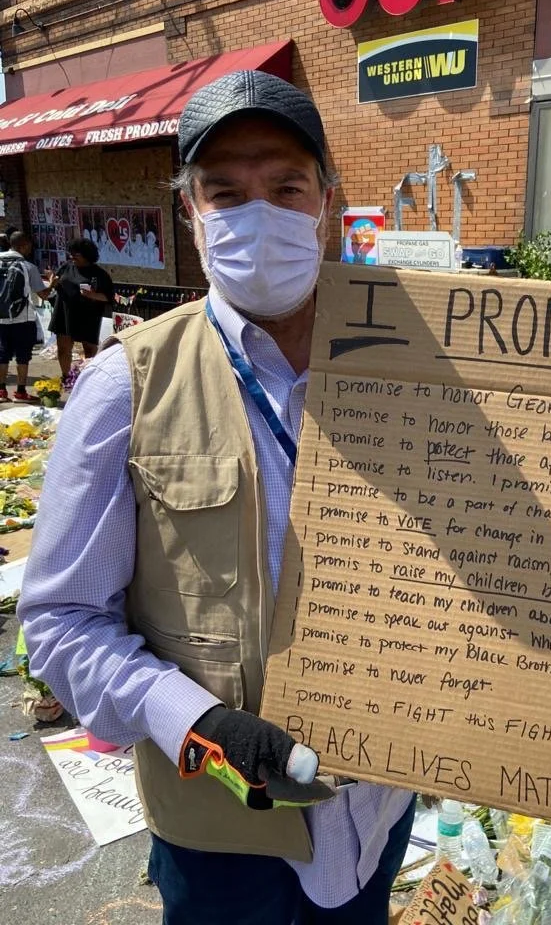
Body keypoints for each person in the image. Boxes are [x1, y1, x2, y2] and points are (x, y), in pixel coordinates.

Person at [19, 71, 415, 925]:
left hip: (381, 810)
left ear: (326, 203)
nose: (258, 215)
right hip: (229, 835)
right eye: (225, 193)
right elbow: (59, 623)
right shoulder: (128, 385)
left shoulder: (417, 367)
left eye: (285, 188)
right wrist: (193, 720)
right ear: (192, 215)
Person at [47, 237, 114, 379]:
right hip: (64, 313)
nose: (72, 257)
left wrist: (92, 295)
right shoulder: (66, 267)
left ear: (87, 256)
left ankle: (90, 378)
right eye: (71, 253)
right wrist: (52, 282)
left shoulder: (99, 274)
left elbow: (108, 297)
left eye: (76, 254)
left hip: (88, 315)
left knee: (89, 350)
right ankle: (66, 377)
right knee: (63, 349)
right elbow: (56, 284)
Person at [0, 231, 51, 402]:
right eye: (28, 245)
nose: (30, 248)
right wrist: (53, 282)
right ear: (22, 245)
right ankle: (21, 391)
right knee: (23, 354)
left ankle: (1, 391)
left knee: (2, 354)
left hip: (0, 318)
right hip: (22, 317)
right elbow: (43, 295)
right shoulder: (28, 267)